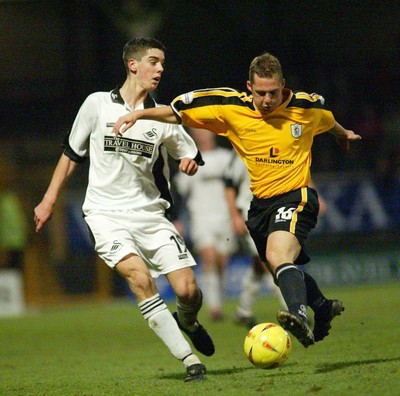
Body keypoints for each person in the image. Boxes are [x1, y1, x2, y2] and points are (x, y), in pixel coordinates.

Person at [112, 51, 362, 348]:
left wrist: (342, 133)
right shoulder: (229, 108)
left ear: (283, 85)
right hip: (259, 205)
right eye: (260, 93)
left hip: (297, 196)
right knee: (276, 265)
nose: (267, 100)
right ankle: (321, 307)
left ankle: (298, 315)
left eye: (273, 92)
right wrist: (139, 113)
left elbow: (327, 120)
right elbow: (177, 112)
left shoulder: (304, 108)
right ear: (248, 87)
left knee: (279, 256)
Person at [34, 38, 214, 382]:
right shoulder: (97, 105)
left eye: (162, 63)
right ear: (133, 65)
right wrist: (49, 199)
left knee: (188, 289)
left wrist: (190, 162)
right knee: (140, 279)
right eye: (153, 61)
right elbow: (71, 154)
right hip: (105, 215)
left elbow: (188, 152)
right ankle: (190, 360)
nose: (160, 68)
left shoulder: (162, 116)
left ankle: (188, 320)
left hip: (151, 216)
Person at [174, 128, 235, 321]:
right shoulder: (189, 160)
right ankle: (214, 308)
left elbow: (238, 185)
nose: (202, 134)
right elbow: (179, 192)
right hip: (201, 217)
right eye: (197, 131)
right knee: (209, 257)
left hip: (225, 217)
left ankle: (218, 300)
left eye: (205, 130)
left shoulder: (226, 158)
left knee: (222, 262)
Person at [223, 151, 286, 329]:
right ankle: (292, 308)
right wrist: (235, 215)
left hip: (273, 211)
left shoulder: (275, 148)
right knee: (270, 261)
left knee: (259, 265)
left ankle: (243, 311)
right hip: (250, 214)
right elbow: (229, 186)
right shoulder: (242, 153)